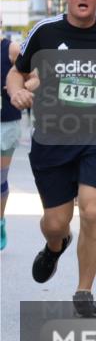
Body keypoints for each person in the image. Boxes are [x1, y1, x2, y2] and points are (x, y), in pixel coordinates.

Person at [7, 0, 96, 317]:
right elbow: (18, 70)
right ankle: (55, 246)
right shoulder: (45, 31)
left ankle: (83, 290)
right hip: (52, 139)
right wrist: (15, 90)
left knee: (92, 209)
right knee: (56, 223)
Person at [1, 37, 23, 251]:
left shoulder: (11, 48)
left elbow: (32, 75)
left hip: (5, 122)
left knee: (0, 178)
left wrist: (19, 88)